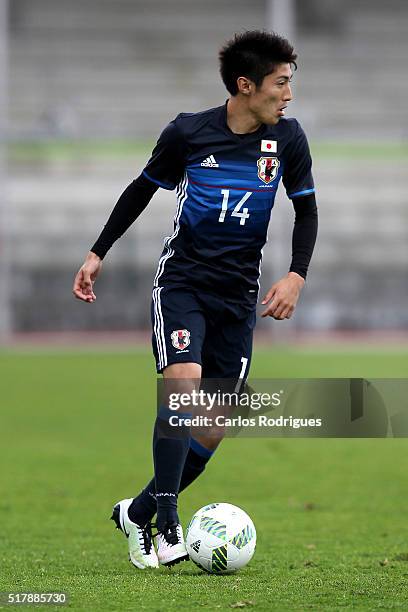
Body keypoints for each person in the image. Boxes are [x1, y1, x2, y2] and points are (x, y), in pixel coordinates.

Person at [73, 30, 318, 569]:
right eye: (281, 83)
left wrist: (296, 275)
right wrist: (97, 252)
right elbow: (141, 188)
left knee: (213, 424)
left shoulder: (289, 139)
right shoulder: (188, 133)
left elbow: (306, 209)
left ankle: (136, 512)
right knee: (180, 389)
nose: (289, 94)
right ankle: (167, 525)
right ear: (246, 85)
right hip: (183, 282)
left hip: (240, 294)